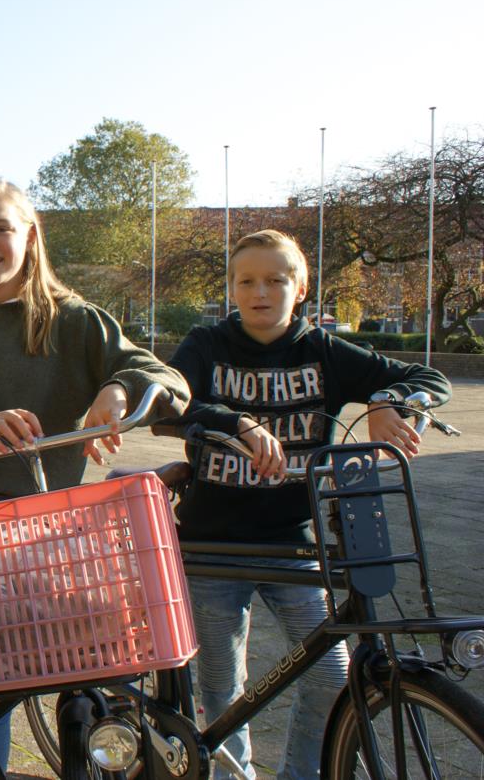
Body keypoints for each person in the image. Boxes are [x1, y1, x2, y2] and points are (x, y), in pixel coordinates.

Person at [0, 178, 190, 779]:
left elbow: (168, 380)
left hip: (31, 534)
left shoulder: (74, 319)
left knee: (9, 677)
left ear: (30, 235)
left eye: (1, 228)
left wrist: (119, 387)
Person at [168, 228, 451, 779]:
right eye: (246, 281)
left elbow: (426, 377)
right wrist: (236, 422)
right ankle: (231, 774)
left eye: (276, 280)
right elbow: (170, 403)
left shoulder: (322, 349)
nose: (260, 292)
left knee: (332, 676)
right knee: (222, 685)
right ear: (231, 288)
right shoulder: (206, 345)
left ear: (300, 289)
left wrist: (388, 400)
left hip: (293, 544)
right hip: (210, 547)